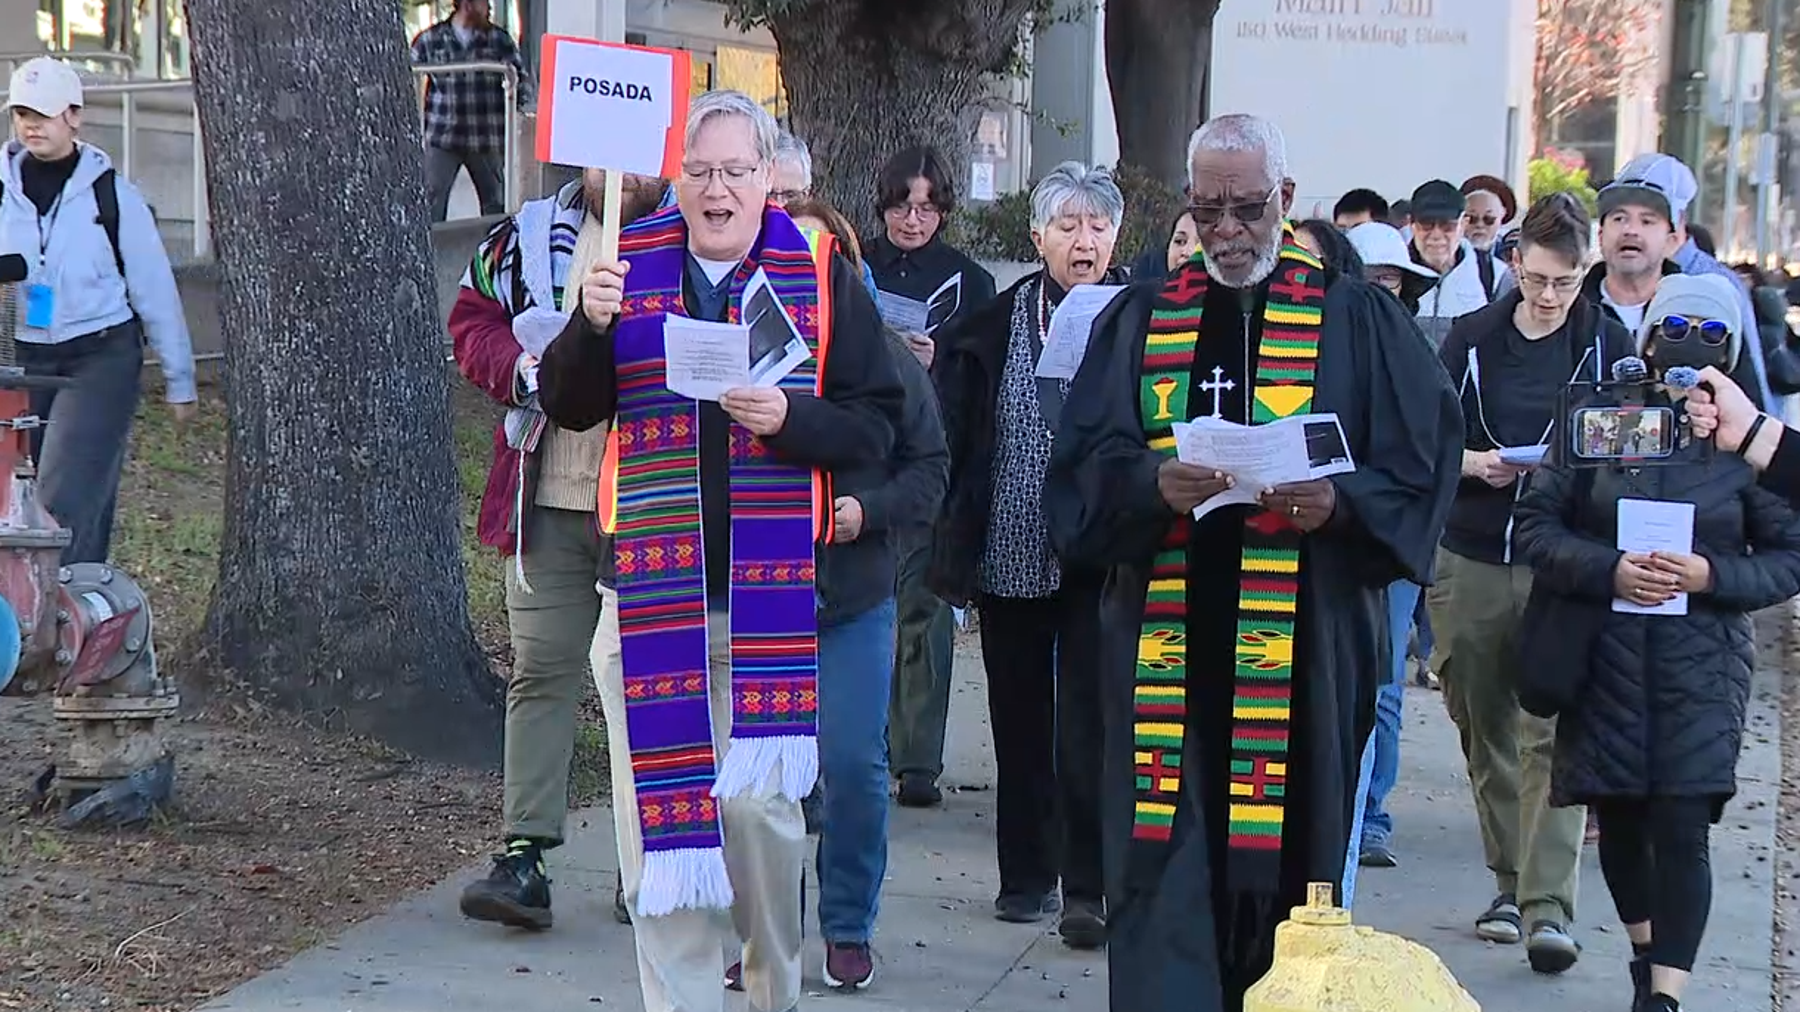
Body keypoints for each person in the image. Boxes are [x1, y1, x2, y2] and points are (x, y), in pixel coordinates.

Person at [1042, 114, 1462, 1011]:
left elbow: (1422, 465)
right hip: (1168, 642)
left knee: (1295, 860)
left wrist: (1341, 505)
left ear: (1285, 199)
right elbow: (1080, 471)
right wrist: (1156, 486)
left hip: (1305, 645)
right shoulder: (1145, 319)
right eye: (1210, 209)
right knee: (1168, 858)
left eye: (1245, 208)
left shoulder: (1356, 319)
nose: (1228, 231)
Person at [534, 89, 906, 1012]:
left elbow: (880, 426)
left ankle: (773, 987)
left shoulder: (815, 270)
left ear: (767, 178)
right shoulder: (630, 261)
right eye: (699, 170)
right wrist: (589, 324)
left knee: (757, 817)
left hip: (766, 608)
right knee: (657, 832)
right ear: (677, 178)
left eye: (736, 170)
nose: (716, 188)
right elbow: (570, 404)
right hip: (653, 597)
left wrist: (793, 419)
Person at [1514, 273, 1800, 1012]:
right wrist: (1609, 570)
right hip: (1603, 656)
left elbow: (1788, 558)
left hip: (1700, 665)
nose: (1693, 349)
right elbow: (1538, 528)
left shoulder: (1746, 444)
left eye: (1713, 336)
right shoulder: (1595, 421)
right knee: (1622, 818)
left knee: (1681, 825)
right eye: (1679, 331)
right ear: (1646, 339)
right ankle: (1647, 951)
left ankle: (1665, 995)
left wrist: (1710, 575)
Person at [449, 166, 667, 931]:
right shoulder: (526, 238)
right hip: (543, 495)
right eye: (606, 156)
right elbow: (472, 319)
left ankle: (643, 858)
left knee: (642, 685)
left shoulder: (687, 240)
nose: (622, 173)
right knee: (540, 675)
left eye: (640, 156)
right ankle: (524, 857)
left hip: (645, 504)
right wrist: (523, 367)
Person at [1431, 193, 1634, 972]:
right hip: (1475, 548)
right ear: (1516, 265)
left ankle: (1549, 903)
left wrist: (1570, 468)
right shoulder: (1473, 338)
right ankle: (1509, 883)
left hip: (1563, 558)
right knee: (1484, 722)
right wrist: (1469, 464)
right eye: (1541, 279)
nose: (1551, 297)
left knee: (1550, 727)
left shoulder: (1607, 344)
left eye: (1568, 281)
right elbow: (1426, 434)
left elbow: (1631, 454)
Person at [930, 161, 1122, 949]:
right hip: (1010, 545)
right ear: (1037, 237)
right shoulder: (996, 324)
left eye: (1099, 227)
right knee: (1017, 717)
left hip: (1100, 554)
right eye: (1068, 226)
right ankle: (1024, 876)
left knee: (1091, 722)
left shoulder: (1138, 319)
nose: (1085, 241)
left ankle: (1087, 886)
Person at [1, 57, 197, 565]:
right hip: (21, 355)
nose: (30, 125)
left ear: (74, 116)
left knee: (65, 495)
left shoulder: (112, 194)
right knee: (16, 498)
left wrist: (180, 381)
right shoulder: (2, 191)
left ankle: (65, 614)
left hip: (99, 356)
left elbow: (154, 288)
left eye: (42, 114)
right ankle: (43, 609)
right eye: (21, 112)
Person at [867, 144, 993, 809]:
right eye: (901, 205)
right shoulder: (855, 265)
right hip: (864, 454)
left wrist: (936, 356)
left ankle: (919, 757)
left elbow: (979, 378)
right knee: (862, 605)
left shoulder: (969, 280)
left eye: (925, 207)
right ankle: (866, 743)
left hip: (930, 454)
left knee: (925, 609)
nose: (913, 220)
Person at [410, 0, 532, 223]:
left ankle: (497, 252)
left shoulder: (498, 40)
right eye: (482, 2)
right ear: (465, 4)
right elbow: (406, 76)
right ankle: (429, 252)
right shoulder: (431, 39)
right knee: (431, 200)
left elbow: (520, 81)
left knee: (495, 203)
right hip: (443, 137)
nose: (487, 8)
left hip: (486, 138)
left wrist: (524, 112)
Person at [1409, 179, 1510, 346]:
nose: (1436, 235)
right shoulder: (1393, 275)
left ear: (1463, 224)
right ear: (1412, 225)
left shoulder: (1495, 274)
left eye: (1447, 226)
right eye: (1426, 225)